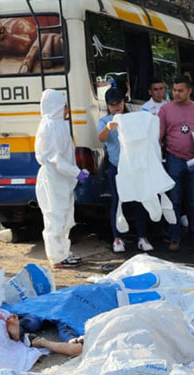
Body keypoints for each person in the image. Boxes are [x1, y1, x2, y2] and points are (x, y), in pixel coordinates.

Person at [159, 75, 194, 252]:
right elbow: (159, 136)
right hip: (174, 158)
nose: (176, 93)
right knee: (174, 200)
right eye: (174, 90)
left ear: (189, 91)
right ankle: (174, 238)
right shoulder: (165, 109)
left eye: (180, 90)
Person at [36, 89, 86, 267]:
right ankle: (57, 258)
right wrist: (75, 172)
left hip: (62, 180)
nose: (66, 110)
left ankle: (64, 252)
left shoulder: (58, 125)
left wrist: (73, 172)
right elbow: (55, 159)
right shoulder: (48, 127)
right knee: (55, 218)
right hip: (53, 179)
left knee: (65, 217)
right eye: (64, 106)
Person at [98, 87, 130, 253]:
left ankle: (142, 236)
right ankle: (117, 238)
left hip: (133, 166)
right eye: (112, 104)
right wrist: (108, 128)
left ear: (124, 102)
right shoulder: (105, 121)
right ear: (108, 106)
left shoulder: (132, 118)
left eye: (119, 103)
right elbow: (101, 138)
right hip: (115, 166)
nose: (116, 107)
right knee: (116, 201)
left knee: (138, 201)